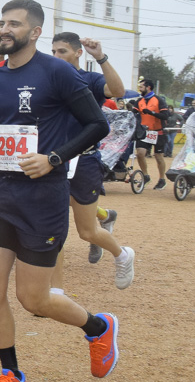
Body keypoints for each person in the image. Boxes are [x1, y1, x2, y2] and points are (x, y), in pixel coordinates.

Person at [0, 0, 117, 382]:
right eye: (2, 22)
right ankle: (11, 374)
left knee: (33, 300)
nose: (5, 29)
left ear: (34, 32)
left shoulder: (58, 72)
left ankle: (98, 327)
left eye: (14, 24)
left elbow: (98, 124)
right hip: (1, 194)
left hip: (44, 198)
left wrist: (54, 158)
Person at [49, 33, 135, 291]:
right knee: (53, 228)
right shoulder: (49, 79)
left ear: (78, 53)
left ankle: (122, 254)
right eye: (53, 51)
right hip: (53, 162)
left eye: (62, 51)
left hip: (84, 161)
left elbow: (118, 92)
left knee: (86, 231)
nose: (56, 57)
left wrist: (100, 57)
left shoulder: (88, 80)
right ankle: (56, 290)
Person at [133, 79, 169, 190]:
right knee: (140, 153)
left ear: (148, 87)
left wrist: (152, 113)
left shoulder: (159, 100)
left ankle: (162, 179)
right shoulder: (139, 101)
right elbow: (133, 113)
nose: (140, 88)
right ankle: (146, 175)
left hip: (158, 132)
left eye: (142, 86)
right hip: (144, 132)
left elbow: (165, 115)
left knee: (158, 157)